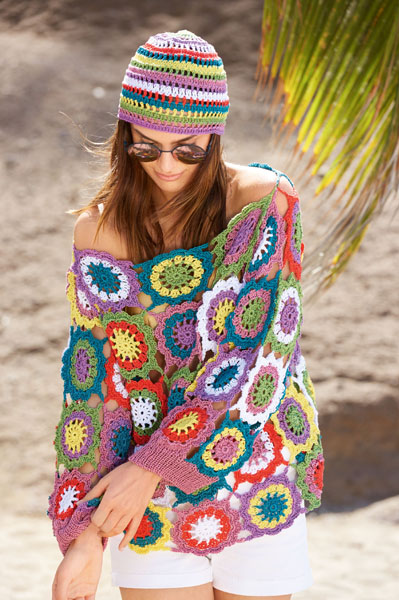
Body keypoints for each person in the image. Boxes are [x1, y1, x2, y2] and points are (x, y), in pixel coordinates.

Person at [49, 29, 324, 600]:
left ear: (215, 136)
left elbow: (254, 360)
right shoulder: (100, 231)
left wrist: (150, 467)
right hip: (144, 500)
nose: (167, 163)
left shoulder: (261, 201)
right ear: (126, 135)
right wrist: (84, 533)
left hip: (255, 472)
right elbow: (97, 386)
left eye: (188, 148)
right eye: (146, 147)